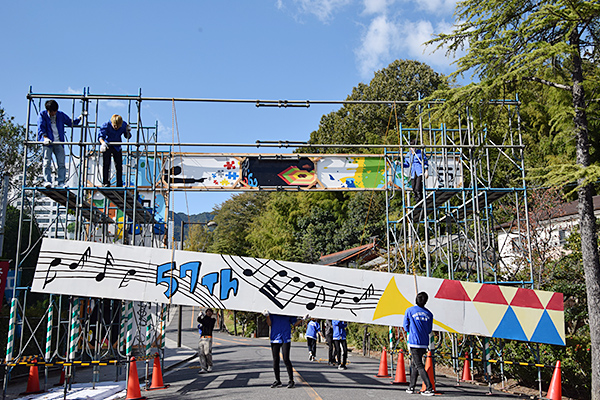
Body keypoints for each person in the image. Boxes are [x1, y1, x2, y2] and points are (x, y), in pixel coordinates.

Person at [37, 100, 82, 188]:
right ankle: (47, 181)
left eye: (55, 111)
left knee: (61, 163)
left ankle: (61, 182)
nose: (54, 113)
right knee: (46, 162)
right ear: (48, 110)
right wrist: (45, 137)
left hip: (59, 142)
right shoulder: (42, 115)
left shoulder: (60, 115)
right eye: (52, 111)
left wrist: (79, 118)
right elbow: (40, 127)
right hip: (47, 142)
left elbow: (70, 122)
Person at [403, 292, 434, 396]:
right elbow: (429, 330)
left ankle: (429, 388)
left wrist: (410, 332)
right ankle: (411, 387)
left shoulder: (410, 310)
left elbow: (405, 325)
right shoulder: (429, 313)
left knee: (419, 365)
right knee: (415, 364)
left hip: (414, 341)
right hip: (424, 342)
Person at [264, 310, 306, 388]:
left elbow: (294, 323)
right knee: (275, 359)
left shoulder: (288, 312)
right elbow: (269, 323)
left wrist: (302, 319)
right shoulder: (273, 312)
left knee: (286, 358)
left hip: (285, 337)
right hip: (275, 338)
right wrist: (268, 316)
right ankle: (277, 380)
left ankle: (291, 380)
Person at [98, 114, 131, 187]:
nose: (116, 127)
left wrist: (128, 131)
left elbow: (127, 136)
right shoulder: (106, 125)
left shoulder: (123, 125)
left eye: (118, 126)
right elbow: (100, 136)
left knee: (119, 165)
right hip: (108, 145)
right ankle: (106, 182)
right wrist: (102, 143)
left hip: (117, 146)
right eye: (114, 126)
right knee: (106, 164)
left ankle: (119, 183)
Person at [403, 139, 428, 204]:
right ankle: (417, 201)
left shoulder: (420, 153)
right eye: (412, 147)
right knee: (414, 188)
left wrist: (426, 171)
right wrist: (400, 164)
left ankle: (420, 201)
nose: (413, 148)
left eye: (414, 147)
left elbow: (425, 162)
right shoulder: (408, 155)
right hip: (413, 173)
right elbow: (407, 164)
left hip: (419, 172)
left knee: (418, 188)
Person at [197, 308, 216, 373]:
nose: (209, 313)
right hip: (202, 337)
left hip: (208, 337)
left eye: (210, 312)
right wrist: (200, 315)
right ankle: (203, 368)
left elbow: (206, 322)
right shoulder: (204, 319)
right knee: (201, 353)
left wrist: (203, 316)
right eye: (207, 312)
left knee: (207, 353)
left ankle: (210, 365)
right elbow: (199, 320)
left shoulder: (212, 320)